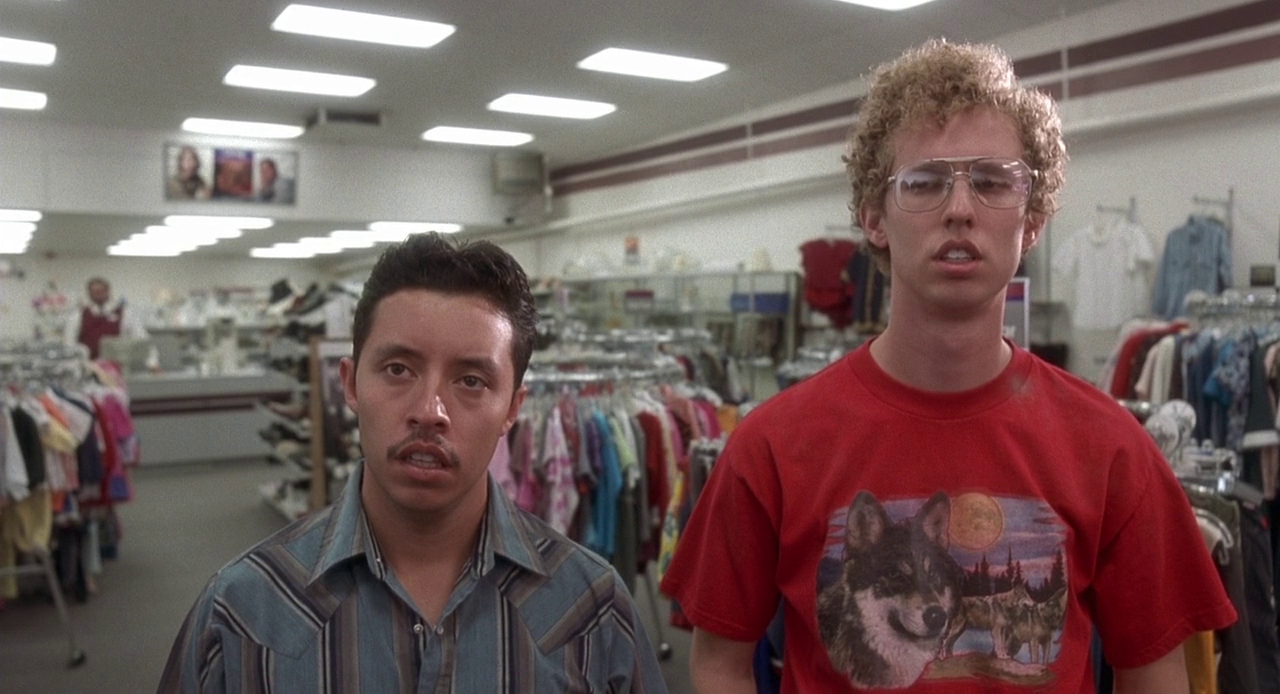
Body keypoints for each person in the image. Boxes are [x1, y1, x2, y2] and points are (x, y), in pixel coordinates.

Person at [659, 40, 1236, 693]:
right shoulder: (770, 448)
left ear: (1032, 222)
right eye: (925, 182)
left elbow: (1154, 672)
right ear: (874, 218)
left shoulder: (1114, 452)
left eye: (991, 181)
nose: (960, 208)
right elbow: (720, 662)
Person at [159, 233, 669, 693]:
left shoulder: (591, 611)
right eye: (398, 369)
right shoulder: (241, 613)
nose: (429, 411)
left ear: (513, 409)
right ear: (350, 384)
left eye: (471, 381)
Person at [64, 277, 149, 360]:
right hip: (87, 364)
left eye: (101, 291)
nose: (98, 294)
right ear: (89, 293)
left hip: (116, 363)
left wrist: (151, 361)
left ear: (108, 291)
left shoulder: (125, 313)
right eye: (94, 291)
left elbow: (141, 338)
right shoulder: (78, 315)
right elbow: (69, 342)